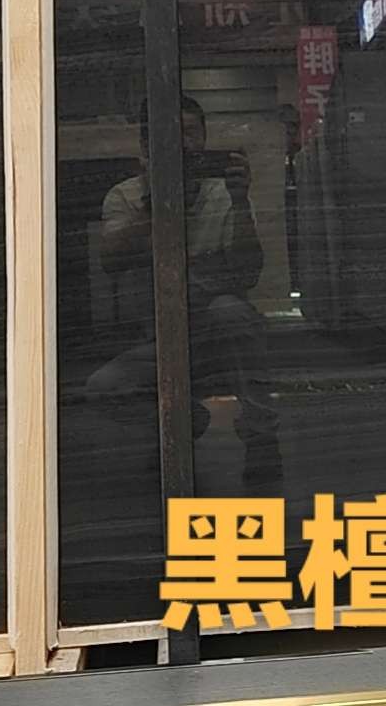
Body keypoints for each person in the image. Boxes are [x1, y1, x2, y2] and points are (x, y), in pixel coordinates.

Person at [86, 95, 281, 492]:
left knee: (230, 311)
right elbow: (110, 261)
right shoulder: (126, 196)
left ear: (205, 139)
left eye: (192, 133)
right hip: (159, 343)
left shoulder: (223, 194)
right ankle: (178, 423)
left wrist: (241, 202)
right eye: (171, 136)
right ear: (147, 146)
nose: (185, 145)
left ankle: (262, 438)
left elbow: (248, 272)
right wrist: (156, 202)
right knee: (103, 388)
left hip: (218, 340)